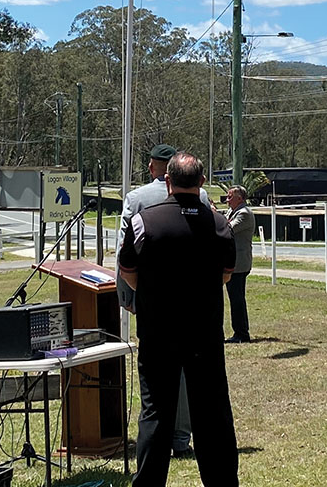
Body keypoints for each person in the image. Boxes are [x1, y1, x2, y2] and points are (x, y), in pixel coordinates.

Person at [119, 152, 239, 487]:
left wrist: (154, 293)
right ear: (201, 183)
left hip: (158, 332)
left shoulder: (144, 221)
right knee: (212, 414)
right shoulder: (218, 223)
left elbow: (127, 270)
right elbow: (226, 275)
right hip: (205, 334)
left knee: (156, 413)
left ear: (167, 181)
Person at [116, 142, 211, 457]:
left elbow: (124, 253)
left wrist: (130, 296)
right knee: (190, 376)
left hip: (154, 303)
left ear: (154, 168)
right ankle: (182, 438)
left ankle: (157, 443)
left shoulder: (137, 198)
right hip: (197, 304)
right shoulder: (203, 198)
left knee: (156, 384)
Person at [225, 185, 255, 343]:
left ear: (240, 198)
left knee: (237, 299)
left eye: (230, 197)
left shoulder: (244, 214)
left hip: (239, 263)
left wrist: (213, 213)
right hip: (232, 262)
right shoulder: (232, 211)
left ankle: (242, 334)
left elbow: (227, 228)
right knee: (235, 298)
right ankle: (239, 331)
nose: (227, 200)